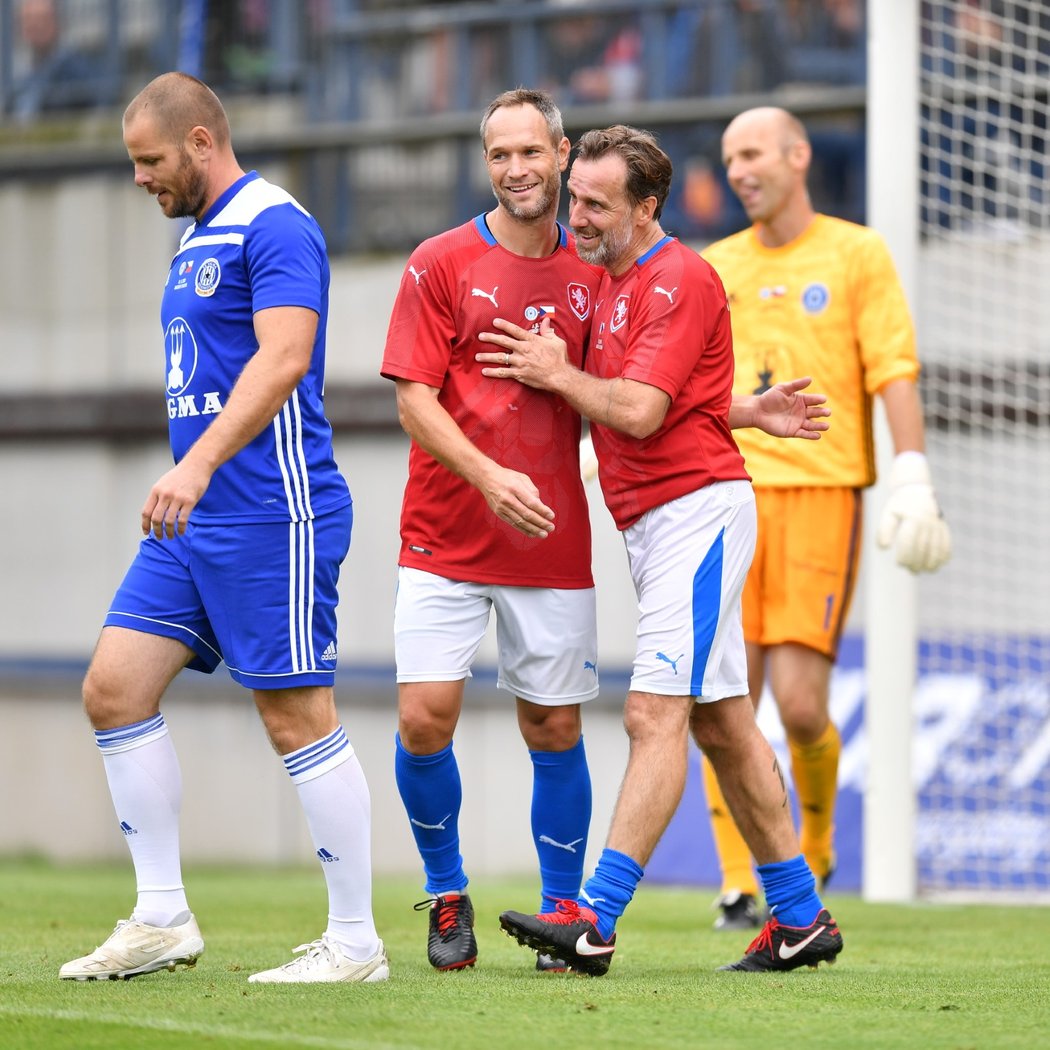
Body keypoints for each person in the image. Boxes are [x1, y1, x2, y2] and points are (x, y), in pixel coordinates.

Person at [380, 90, 830, 974]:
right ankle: (802, 914)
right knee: (724, 727)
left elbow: (637, 407)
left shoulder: (676, 276)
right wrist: (748, 410)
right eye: (574, 197)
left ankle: (593, 920)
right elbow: (671, 401)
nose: (572, 213)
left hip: (692, 517)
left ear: (643, 205)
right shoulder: (610, 279)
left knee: (649, 713)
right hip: (637, 523)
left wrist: (554, 370)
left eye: (592, 202)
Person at [58, 72, 387, 985]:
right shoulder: (197, 237)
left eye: (150, 160)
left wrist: (198, 463)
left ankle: (357, 942)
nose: (139, 179)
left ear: (201, 142)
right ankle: (162, 916)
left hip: (269, 509)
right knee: (114, 689)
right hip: (196, 521)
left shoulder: (276, 223)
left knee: (294, 715)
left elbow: (285, 359)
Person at [698, 106, 952, 931]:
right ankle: (741, 878)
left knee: (801, 706)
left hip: (820, 496)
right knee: (718, 692)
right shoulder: (716, 264)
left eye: (754, 153)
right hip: (721, 494)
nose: (739, 170)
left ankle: (813, 844)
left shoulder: (856, 252)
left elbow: (894, 372)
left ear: (799, 157)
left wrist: (910, 473)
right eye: (730, 157)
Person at [379, 87, 602, 974]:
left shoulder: (597, 272)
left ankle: (561, 918)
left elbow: (641, 398)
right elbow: (412, 399)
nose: (516, 170)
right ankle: (446, 896)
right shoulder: (439, 261)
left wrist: (744, 411)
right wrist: (490, 473)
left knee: (554, 730)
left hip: (549, 541)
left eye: (531, 153)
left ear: (562, 153)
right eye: (499, 156)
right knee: (423, 719)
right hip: (443, 533)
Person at [8, 0, 112, 123]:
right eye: (28, 19)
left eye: (42, 18)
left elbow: (104, 101)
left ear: (58, 21)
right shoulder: (19, 76)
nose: (35, 25)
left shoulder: (77, 69)